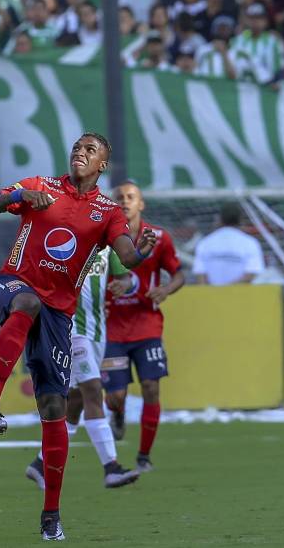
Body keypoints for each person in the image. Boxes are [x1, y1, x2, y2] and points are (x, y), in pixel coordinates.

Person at [0, 133, 156, 541]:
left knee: (55, 406)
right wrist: (14, 195)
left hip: (59, 314)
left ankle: (50, 515)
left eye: (91, 150)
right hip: (11, 284)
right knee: (26, 304)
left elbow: (126, 257)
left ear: (103, 164)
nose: (80, 152)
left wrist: (140, 251)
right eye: (77, 147)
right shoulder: (40, 186)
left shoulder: (108, 212)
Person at [24, 247, 140, 491]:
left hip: (97, 330)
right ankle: (111, 467)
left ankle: (40, 463)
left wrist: (124, 285)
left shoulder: (110, 243)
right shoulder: (66, 238)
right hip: (70, 328)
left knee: (75, 402)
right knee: (93, 390)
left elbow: (125, 278)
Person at [102, 181, 185, 474]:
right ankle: (119, 413)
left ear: (141, 204)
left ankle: (144, 456)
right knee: (116, 396)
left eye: (130, 197)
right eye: (119, 197)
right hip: (112, 328)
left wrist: (165, 290)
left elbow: (178, 275)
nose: (124, 201)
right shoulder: (103, 238)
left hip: (147, 326)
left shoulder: (159, 237)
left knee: (151, 388)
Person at [192, 202, 265, 285]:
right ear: (241, 219)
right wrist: (227, 291)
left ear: (219, 219)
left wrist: (215, 293)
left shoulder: (205, 243)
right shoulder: (250, 243)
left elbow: (200, 276)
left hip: (211, 295)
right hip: (239, 295)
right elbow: (250, 275)